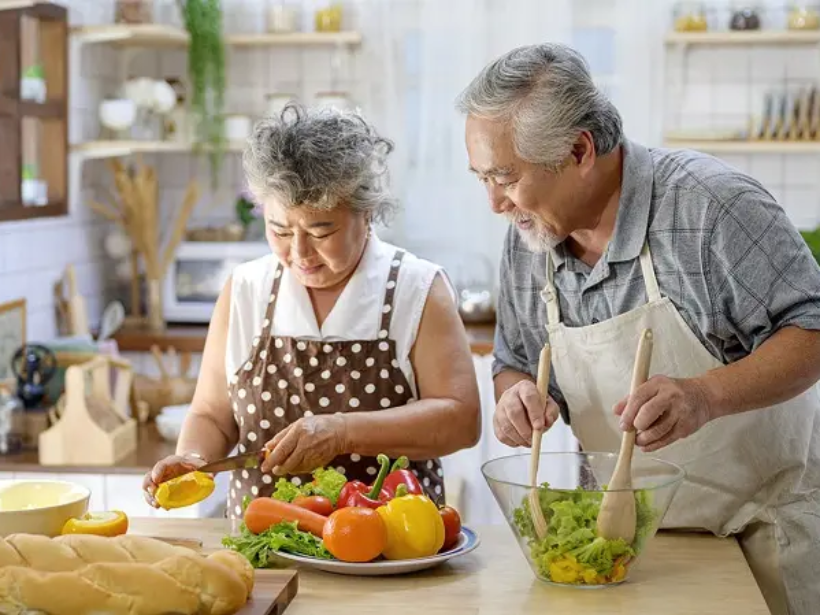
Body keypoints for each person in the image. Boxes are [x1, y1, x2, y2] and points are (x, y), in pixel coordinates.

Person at [457, 43, 820, 615]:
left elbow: (812, 329)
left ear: (579, 150)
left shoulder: (711, 208)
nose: (495, 203)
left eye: (505, 177)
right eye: (482, 178)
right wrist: (515, 397)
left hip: (758, 535)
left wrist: (704, 396)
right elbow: (516, 361)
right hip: (623, 548)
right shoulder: (529, 237)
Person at [144, 104, 481, 519]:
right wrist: (194, 457)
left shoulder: (416, 288)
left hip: (391, 549)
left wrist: (342, 432)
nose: (299, 253)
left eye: (322, 231)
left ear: (367, 212)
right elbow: (213, 415)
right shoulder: (246, 290)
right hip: (265, 545)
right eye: (280, 230)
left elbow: (461, 419)